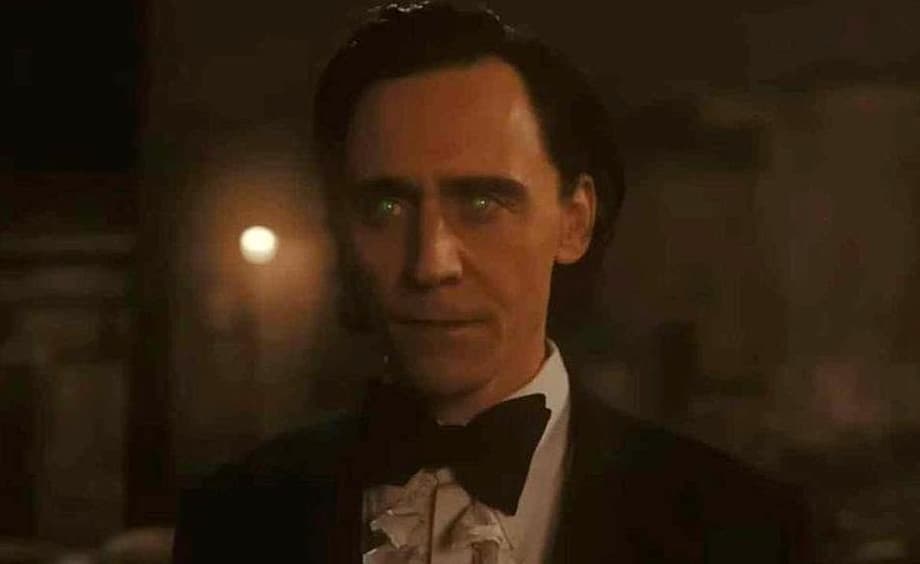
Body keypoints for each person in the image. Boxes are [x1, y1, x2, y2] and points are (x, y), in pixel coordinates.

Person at [172, 3, 814, 563]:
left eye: (482, 203)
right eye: (386, 207)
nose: (431, 264)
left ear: (574, 221)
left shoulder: (742, 530)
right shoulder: (235, 518)